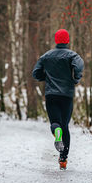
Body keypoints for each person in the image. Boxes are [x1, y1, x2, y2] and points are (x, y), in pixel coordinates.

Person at [32, 29, 84, 170]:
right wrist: (76, 78)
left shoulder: (46, 56)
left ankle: (57, 132)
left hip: (51, 95)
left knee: (55, 122)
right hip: (66, 95)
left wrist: (46, 78)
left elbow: (35, 73)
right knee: (65, 125)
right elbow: (79, 66)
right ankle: (63, 159)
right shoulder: (72, 55)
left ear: (56, 40)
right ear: (67, 40)